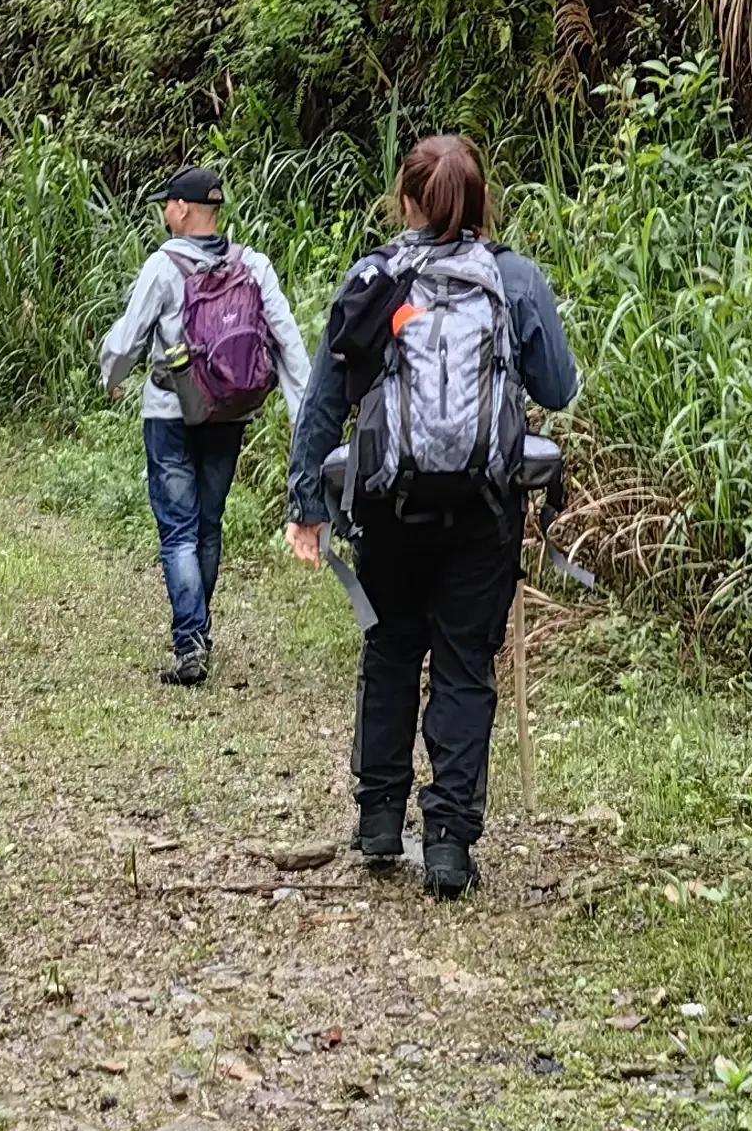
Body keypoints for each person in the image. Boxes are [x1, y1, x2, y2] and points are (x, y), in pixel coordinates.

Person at [287, 133, 574, 899]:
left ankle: (380, 819)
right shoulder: (513, 279)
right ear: (484, 202)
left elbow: (324, 400)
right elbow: (558, 385)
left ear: (405, 200)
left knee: (390, 651)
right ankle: (447, 842)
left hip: (389, 507)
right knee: (464, 666)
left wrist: (306, 505)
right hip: (486, 509)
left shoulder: (375, 278)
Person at [100, 163, 309, 686]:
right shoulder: (254, 265)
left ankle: (190, 640)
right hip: (231, 412)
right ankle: (198, 628)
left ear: (184, 209)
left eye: (168, 203)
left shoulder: (163, 266)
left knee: (177, 531)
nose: (165, 211)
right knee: (208, 523)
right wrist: (303, 411)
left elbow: (128, 338)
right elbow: (286, 339)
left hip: (170, 412)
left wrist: (111, 377)